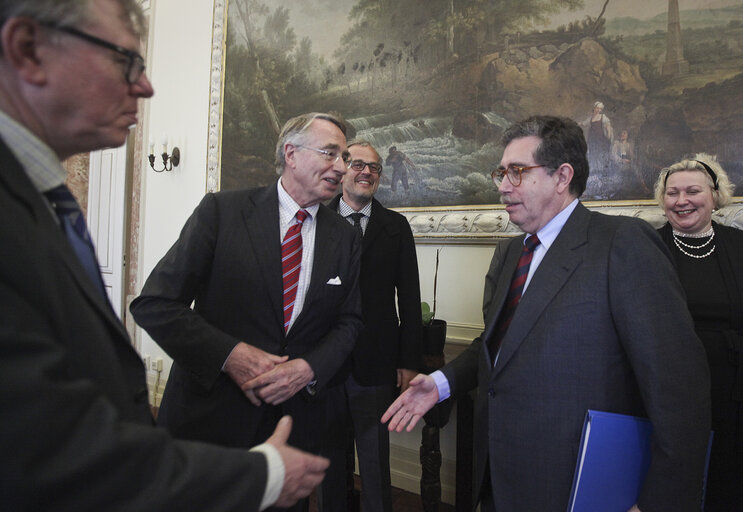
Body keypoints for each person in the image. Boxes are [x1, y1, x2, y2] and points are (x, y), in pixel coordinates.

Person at [0, 1, 329, 510]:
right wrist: (258, 475)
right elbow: (35, 444)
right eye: (124, 60)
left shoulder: (39, 200)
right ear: (27, 50)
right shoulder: (225, 211)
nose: (146, 86)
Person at [382, 115, 712, 511]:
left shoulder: (622, 244)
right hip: (499, 475)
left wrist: (657, 502)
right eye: (501, 173)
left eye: (517, 172)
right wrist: (442, 383)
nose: (503, 186)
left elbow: (679, 389)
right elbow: (499, 347)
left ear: (562, 176)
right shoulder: (510, 253)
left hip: (578, 483)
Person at [130, 111, 362, 511]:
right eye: (331, 153)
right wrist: (229, 355)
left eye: (344, 157)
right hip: (208, 428)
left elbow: (350, 321)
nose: (342, 167)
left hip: (291, 432)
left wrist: (309, 369)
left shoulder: (345, 236)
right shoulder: (221, 212)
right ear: (291, 154)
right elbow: (155, 304)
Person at [320, 140, 423, 512]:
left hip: (376, 363)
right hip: (325, 362)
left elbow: (410, 300)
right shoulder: (318, 220)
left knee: (375, 463)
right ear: (342, 168)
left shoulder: (395, 227)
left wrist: (410, 362)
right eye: (358, 164)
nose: (366, 172)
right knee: (329, 461)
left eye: (375, 168)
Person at [654, 154, 743, 511]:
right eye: (672, 193)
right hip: (664, 396)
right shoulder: (643, 251)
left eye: (693, 191)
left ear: (715, 196)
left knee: (725, 491)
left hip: (735, 397)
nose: (681, 201)